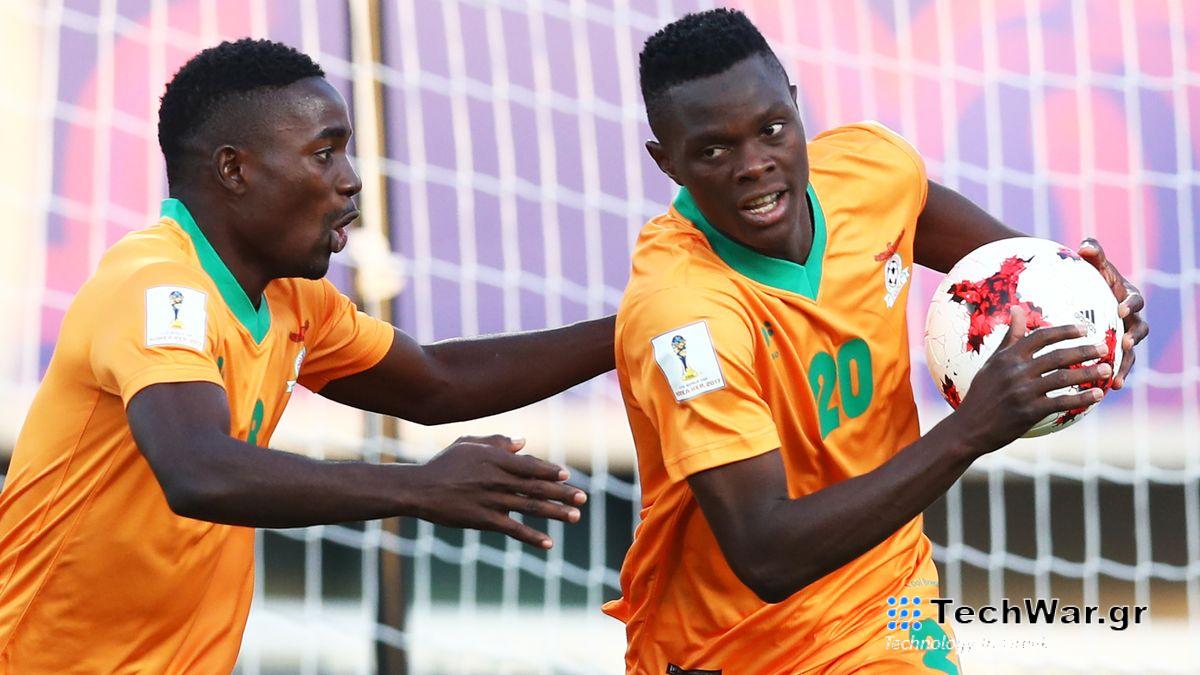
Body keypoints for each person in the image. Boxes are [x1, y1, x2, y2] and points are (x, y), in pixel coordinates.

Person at [0, 39, 613, 672]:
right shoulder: (160, 289)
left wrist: (634, 331)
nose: (349, 179)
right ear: (235, 171)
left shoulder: (294, 297)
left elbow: (437, 383)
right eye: (324, 153)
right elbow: (199, 471)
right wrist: (418, 486)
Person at [602, 9, 1149, 674]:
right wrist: (969, 429)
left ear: (797, 108)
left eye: (772, 128)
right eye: (714, 150)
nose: (755, 164)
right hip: (732, 648)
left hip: (886, 614)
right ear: (667, 161)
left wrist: (1089, 308)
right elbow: (766, 552)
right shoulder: (683, 315)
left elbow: (1015, 270)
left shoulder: (871, 172)